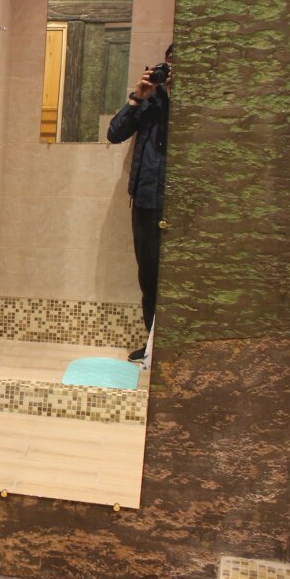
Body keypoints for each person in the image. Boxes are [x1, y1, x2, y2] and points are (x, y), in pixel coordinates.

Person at [107, 44, 172, 363]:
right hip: (147, 200)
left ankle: (172, 349)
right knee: (149, 277)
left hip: (181, 203)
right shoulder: (151, 99)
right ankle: (152, 347)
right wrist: (137, 97)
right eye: (168, 65)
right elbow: (115, 134)